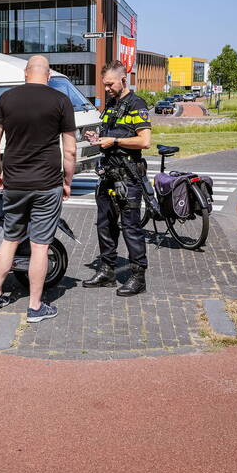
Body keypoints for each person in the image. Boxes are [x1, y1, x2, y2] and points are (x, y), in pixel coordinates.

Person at [0, 55, 77, 323]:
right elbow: (69, 150)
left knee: (9, 239)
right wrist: (67, 181)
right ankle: (35, 307)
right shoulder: (61, 101)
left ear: (25, 73)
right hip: (47, 184)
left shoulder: (6, 99)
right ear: (48, 76)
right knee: (39, 246)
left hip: (14, 182)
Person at [83, 60, 153, 296]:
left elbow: (144, 141)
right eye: (104, 85)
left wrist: (115, 141)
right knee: (105, 225)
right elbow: (109, 134)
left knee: (131, 228)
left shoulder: (136, 104)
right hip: (108, 176)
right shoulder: (111, 106)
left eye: (110, 84)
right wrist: (98, 137)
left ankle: (137, 276)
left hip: (128, 178)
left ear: (124, 80)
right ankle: (107, 271)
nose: (107, 89)